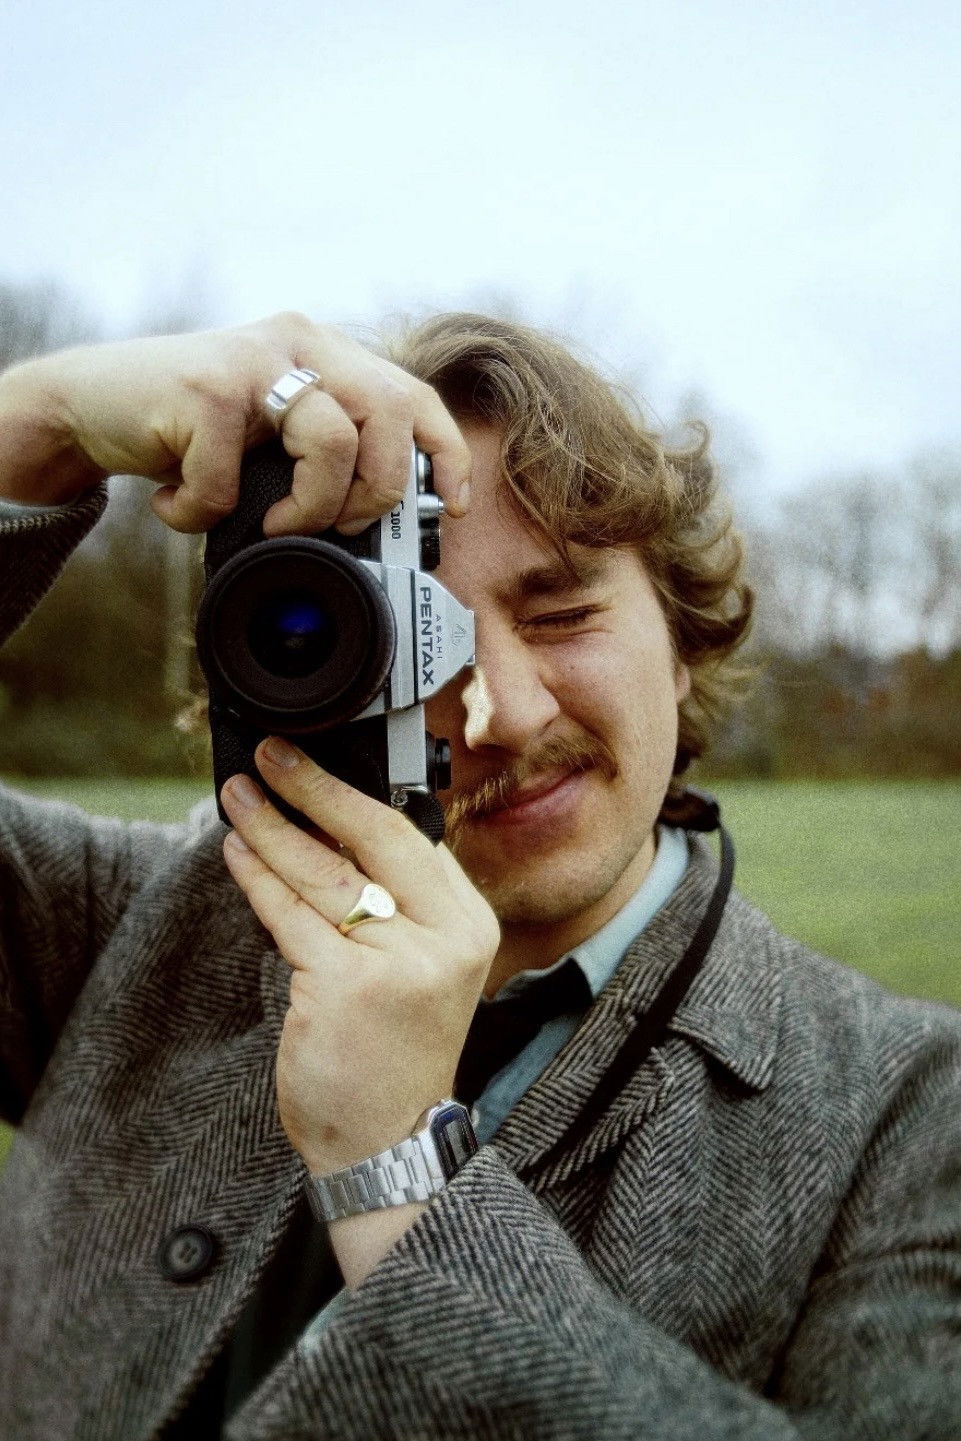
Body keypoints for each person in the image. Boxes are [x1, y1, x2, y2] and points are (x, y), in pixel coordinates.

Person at [0, 310, 959, 1441]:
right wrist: (39, 426)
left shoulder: (908, 1111)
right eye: (412, 634)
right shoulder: (132, 921)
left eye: (562, 613)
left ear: (679, 638)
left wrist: (399, 1174)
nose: (503, 712)